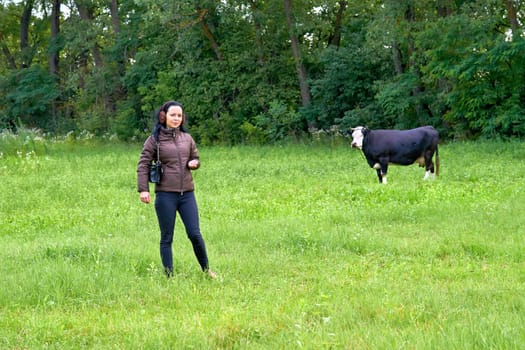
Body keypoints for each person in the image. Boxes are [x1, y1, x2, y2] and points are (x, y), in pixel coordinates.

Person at [137, 100, 216, 279]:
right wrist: (144, 189)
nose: (176, 118)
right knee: (167, 237)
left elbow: (195, 157)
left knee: (195, 233)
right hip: (165, 195)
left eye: (179, 115)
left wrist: (194, 163)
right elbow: (143, 164)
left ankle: (207, 270)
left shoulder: (187, 138)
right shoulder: (154, 140)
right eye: (173, 115)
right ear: (164, 116)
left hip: (187, 194)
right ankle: (169, 276)